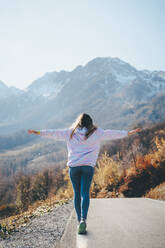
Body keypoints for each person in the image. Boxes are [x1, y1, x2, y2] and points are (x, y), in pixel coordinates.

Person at [28, 113, 141, 234]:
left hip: (74, 167)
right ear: (90, 122)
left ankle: (78, 221)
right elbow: (111, 133)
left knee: (77, 194)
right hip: (88, 167)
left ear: (78, 122)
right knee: (85, 193)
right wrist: (128, 133)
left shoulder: (70, 132)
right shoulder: (97, 132)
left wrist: (38, 132)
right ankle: (83, 220)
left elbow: (54, 133)